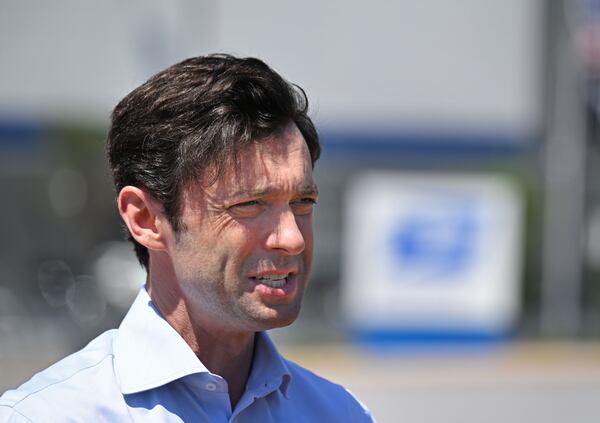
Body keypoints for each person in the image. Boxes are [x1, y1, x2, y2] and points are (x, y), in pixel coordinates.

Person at [0, 54, 375, 422]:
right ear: (146, 219)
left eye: (303, 201)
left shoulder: (341, 413)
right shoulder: (44, 415)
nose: (292, 239)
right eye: (249, 204)